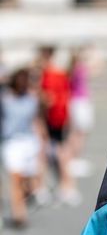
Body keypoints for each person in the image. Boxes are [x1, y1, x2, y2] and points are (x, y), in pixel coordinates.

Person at [1, 69, 43, 228]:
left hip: (29, 142)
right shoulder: (5, 98)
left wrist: (42, 140)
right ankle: (19, 214)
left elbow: (36, 121)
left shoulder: (32, 99)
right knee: (15, 180)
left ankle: (24, 200)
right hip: (11, 143)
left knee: (28, 183)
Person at [39, 46, 80, 205]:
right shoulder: (60, 73)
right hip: (62, 115)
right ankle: (66, 186)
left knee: (56, 152)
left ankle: (65, 186)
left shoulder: (49, 74)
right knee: (60, 152)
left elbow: (48, 98)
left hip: (53, 117)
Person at [67, 48, 95, 177]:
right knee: (80, 132)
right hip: (80, 102)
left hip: (77, 102)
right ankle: (74, 159)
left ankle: (73, 158)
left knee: (77, 132)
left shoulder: (73, 69)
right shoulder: (79, 69)